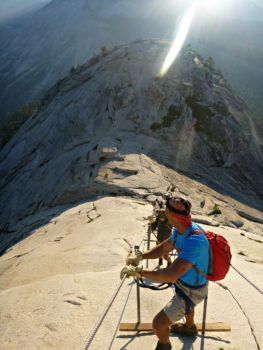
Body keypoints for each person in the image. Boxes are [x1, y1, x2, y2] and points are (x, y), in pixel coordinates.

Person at [121, 196, 209, 350]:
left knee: (159, 324)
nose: (164, 213)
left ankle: (164, 345)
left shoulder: (195, 240)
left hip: (193, 291)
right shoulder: (182, 230)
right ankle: (189, 328)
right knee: (187, 306)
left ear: (173, 216)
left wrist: (139, 272)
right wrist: (141, 256)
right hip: (187, 282)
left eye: (167, 211)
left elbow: (171, 275)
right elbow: (164, 248)